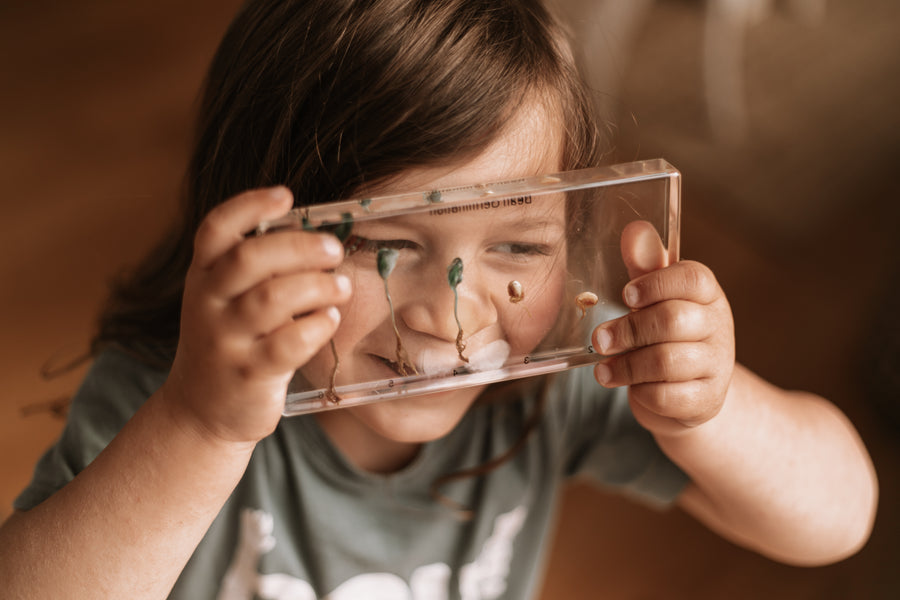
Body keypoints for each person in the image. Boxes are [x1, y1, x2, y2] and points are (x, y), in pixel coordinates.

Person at [0, 1, 877, 598]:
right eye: (386, 246)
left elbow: (839, 518)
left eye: (519, 247)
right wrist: (199, 427)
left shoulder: (559, 371)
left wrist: (708, 413)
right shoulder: (174, 392)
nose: (451, 318)